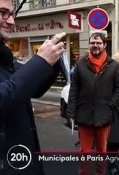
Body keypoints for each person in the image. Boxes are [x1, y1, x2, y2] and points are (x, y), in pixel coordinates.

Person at [0, 1, 66, 174]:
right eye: (3, 12)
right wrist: (41, 61)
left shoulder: (4, 55)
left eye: (12, 14)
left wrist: (52, 63)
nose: (11, 21)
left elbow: (32, 88)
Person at [66, 32, 119, 174]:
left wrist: (110, 105)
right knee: (85, 151)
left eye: (98, 43)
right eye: (93, 43)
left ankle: (100, 172)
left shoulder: (113, 65)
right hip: (84, 115)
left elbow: (118, 88)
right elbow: (74, 90)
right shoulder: (80, 64)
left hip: (104, 116)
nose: (95, 45)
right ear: (89, 44)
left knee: (102, 151)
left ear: (104, 45)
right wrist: (71, 112)